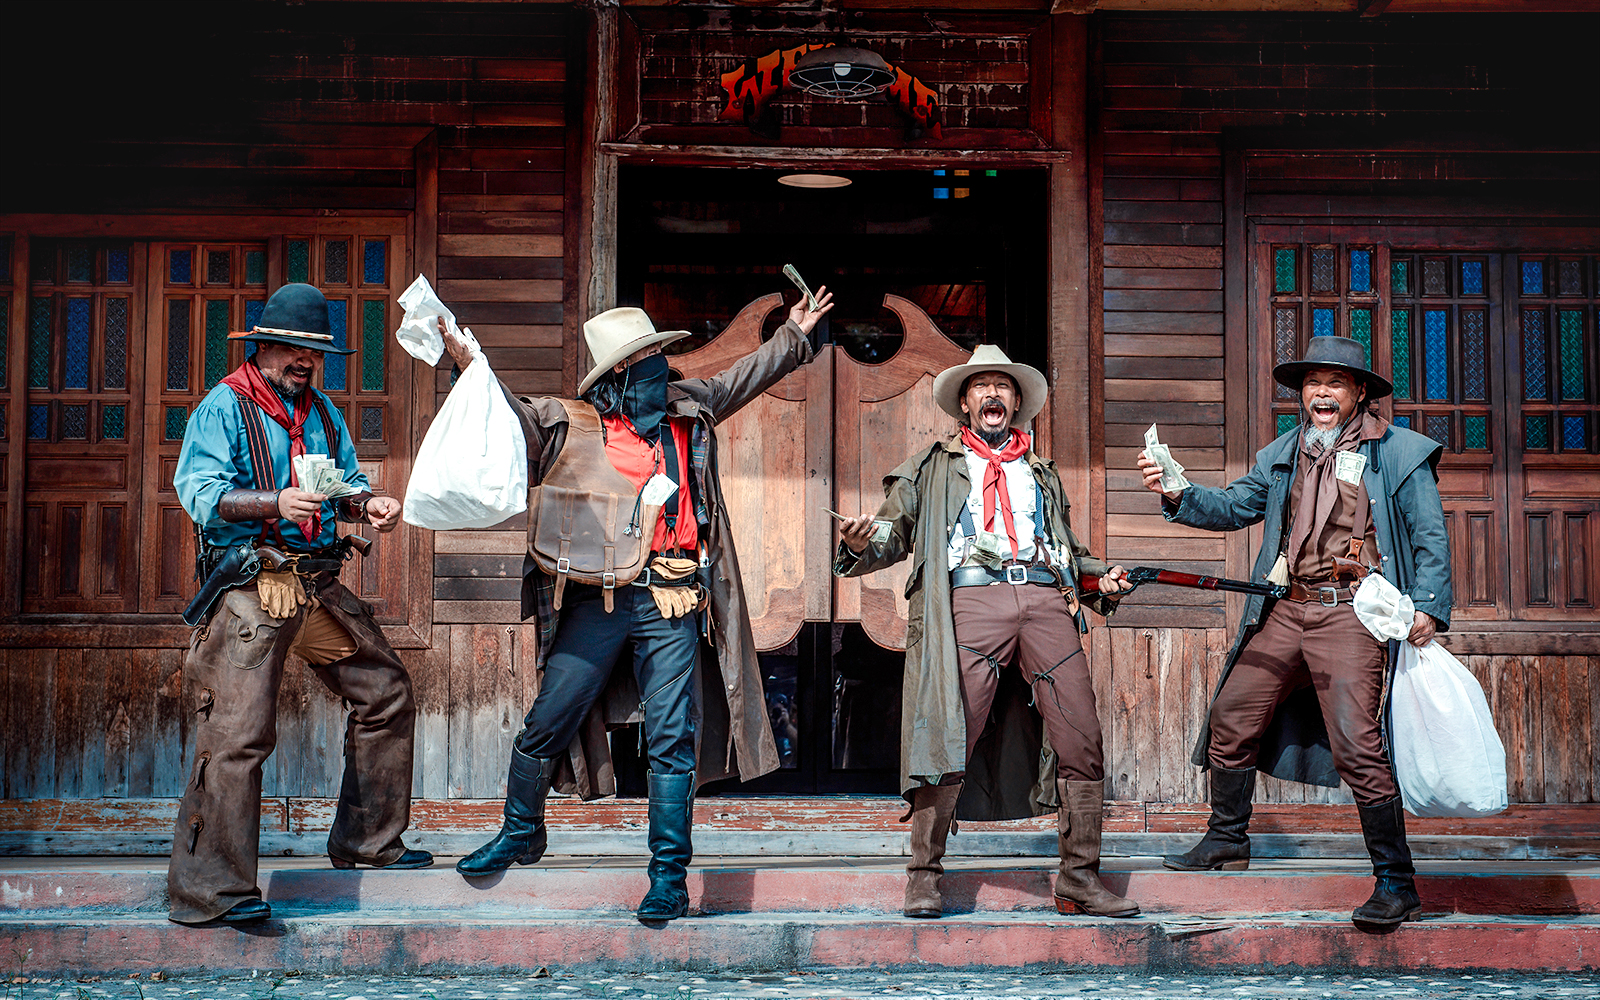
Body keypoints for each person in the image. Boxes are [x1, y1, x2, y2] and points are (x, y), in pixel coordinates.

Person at [442, 290, 833, 924]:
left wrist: (792, 335)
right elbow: (505, 416)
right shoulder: (570, 422)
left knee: (672, 735)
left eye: (659, 353)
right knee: (551, 715)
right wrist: (469, 366)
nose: (660, 364)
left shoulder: (688, 410)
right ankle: (521, 831)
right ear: (620, 372)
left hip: (672, 594)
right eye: (646, 357)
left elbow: (743, 378)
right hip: (598, 597)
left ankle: (668, 877)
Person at [1137, 334, 1451, 927]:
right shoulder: (1285, 452)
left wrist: (1429, 607)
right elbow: (1233, 506)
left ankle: (1396, 882)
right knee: (1233, 714)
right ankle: (1227, 838)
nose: (1322, 392)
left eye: (1336, 383)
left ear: (1359, 393)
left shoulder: (1399, 454)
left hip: (1352, 611)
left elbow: (1429, 534)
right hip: (1286, 607)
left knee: (1359, 743)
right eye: (1313, 383)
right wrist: (1176, 491)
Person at [833, 345, 1138, 920]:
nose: (992, 395)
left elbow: (1070, 553)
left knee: (1082, 734)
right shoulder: (931, 467)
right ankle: (924, 875)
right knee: (949, 733)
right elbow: (890, 535)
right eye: (981, 387)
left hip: (1047, 600)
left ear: (1017, 403)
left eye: (1003, 386)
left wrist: (1104, 579)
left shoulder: (1040, 474)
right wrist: (858, 543)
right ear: (965, 403)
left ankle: (1078, 877)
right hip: (971, 600)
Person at [169, 283, 427, 926]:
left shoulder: (323, 413)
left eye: (313, 351)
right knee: (237, 733)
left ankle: (368, 844)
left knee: (386, 691)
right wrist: (273, 502)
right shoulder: (223, 407)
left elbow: (344, 484)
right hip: (250, 588)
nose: (302, 360)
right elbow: (199, 492)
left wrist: (370, 504)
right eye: (291, 348)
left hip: (312, 584)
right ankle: (213, 892)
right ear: (264, 348)